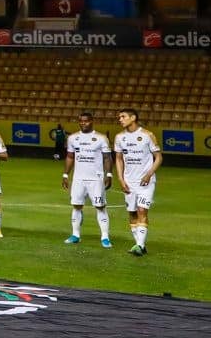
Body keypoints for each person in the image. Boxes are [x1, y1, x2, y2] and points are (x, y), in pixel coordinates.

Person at [61, 110, 113, 247]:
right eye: (81, 121)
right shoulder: (72, 138)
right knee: (76, 206)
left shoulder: (101, 138)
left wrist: (108, 174)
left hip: (96, 179)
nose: (83, 123)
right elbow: (70, 157)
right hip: (78, 178)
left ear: (92, 121)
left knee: (100, 206)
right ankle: (75, 235)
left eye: (86, 121)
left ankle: (105, 237)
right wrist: (65, 174)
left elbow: (107, 158)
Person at [114, 107, 161, 255]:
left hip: (145, 182)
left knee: (142, 210)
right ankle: (139, 245)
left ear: (133, 118)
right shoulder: (119, 137)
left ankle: (139, 246)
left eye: (123, 116)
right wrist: (121, 179)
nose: (120, 119)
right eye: (119, 117)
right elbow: (119, 159)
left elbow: (158, 157)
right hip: (129, 182)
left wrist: (149, 174)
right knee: (132, 213)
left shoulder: (147, 135)